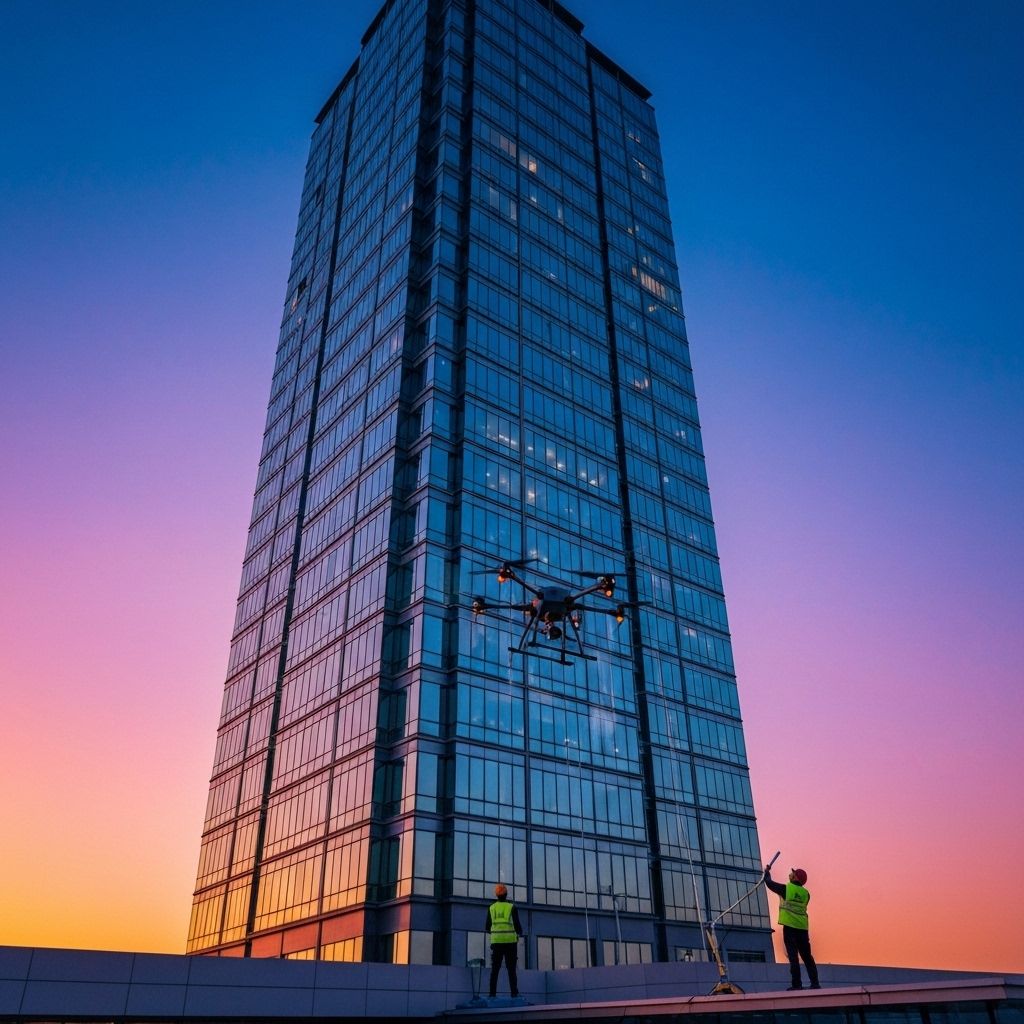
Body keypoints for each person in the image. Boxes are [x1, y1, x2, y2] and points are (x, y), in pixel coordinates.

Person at [763, 865, 820, 990]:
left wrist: (766, 873)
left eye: (792, 873)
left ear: (796, 878)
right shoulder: (806, 894)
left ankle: (797, 985)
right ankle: (815, 983)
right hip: (803, 929)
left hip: (790, 928)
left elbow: (770, 884)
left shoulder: (787, 889)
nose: (790, 874)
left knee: (793, 957)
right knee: (807, 957)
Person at [485, 883, 523, 999]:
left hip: (496, 943)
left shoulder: (491, 908)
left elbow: (487, 927)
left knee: (495, 969)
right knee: (511, 969)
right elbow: (517, 925)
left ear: (496, 895)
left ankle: (492, 994)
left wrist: (496, 933)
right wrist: (519, 933)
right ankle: (514, 993)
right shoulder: (512, 907)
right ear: (506, 894)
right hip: (510, 943)